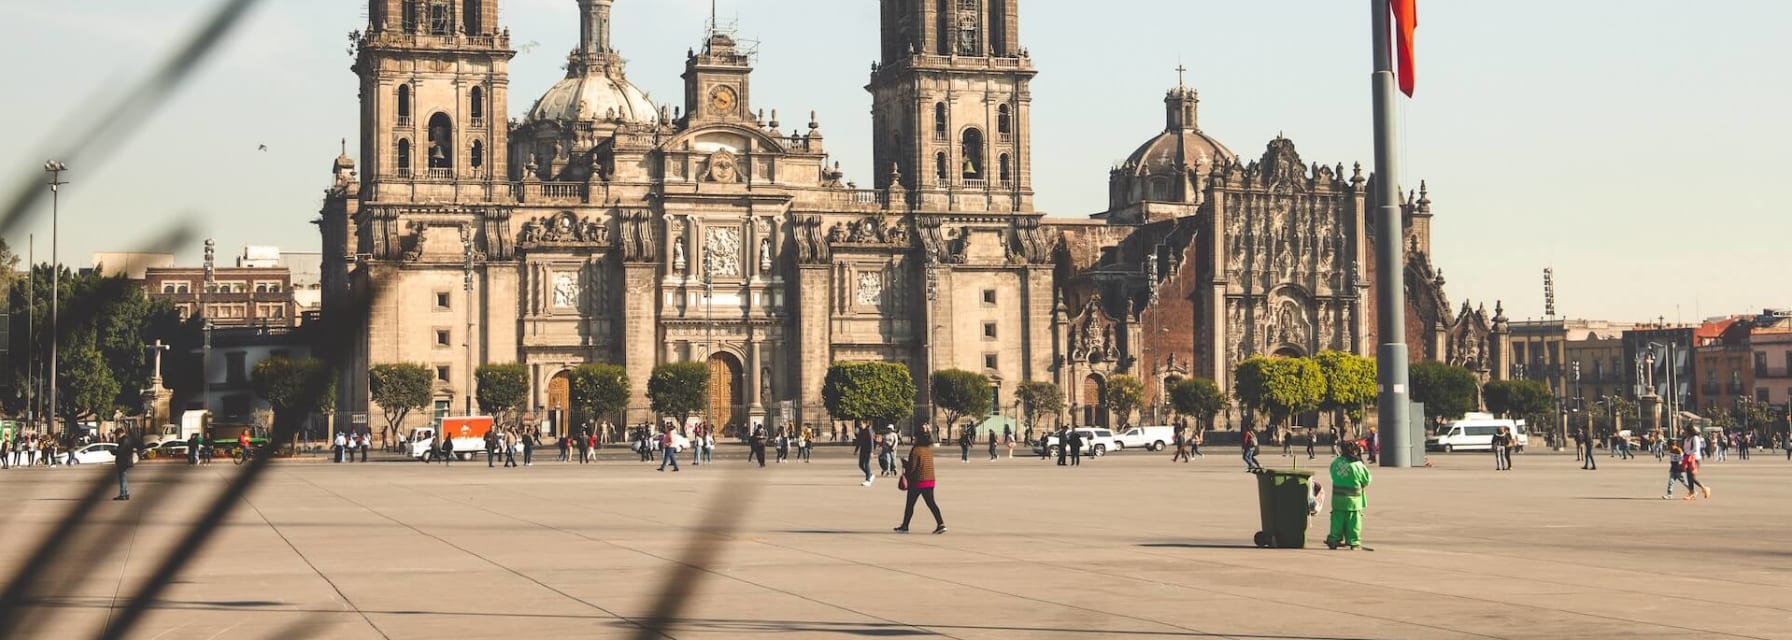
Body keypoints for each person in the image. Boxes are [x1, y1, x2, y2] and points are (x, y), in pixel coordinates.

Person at [894, 429, 946, 535]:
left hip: (918, 481)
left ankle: (905, 526)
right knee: (931, 503)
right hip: (930, 480)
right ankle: (941, 524)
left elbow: (912, 467)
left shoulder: (916, 450)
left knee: (910, 505)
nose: (914, 439)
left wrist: (905, 464)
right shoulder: (928, 449)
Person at [1324, 440, 1372, 550]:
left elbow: (1332, 474)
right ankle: (1353, 541)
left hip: (1337, 498)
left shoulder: (1336, 462)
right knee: (1354, 521)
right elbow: (1367, 479)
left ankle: (1334, 539)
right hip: (1354, 499)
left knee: (1337, 520)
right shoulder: (1358, 465)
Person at [113, 430, 136, 501]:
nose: (117, 437)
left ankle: (123, 494)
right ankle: (126, 493)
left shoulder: (124, 440)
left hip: (123, 461)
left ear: (120, 433)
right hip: (125, 461)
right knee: (124, 478)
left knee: (122, 478)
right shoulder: (128, 439)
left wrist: (113, 452)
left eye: (117, 435)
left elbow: (121, 451)